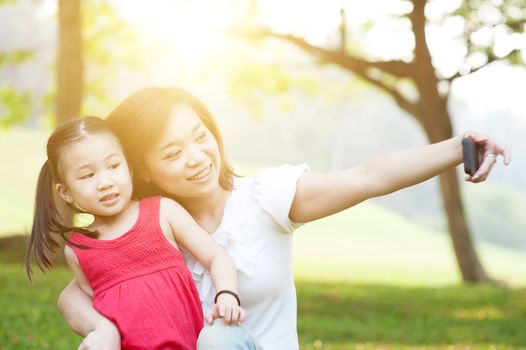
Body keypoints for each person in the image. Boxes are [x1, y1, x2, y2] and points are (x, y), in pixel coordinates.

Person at [57, 87, 511, 350]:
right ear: (142, 170)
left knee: (217, 340)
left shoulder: (265, 199)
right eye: (173, 153)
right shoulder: (147, 228)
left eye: (200, 137)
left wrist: (459, 147)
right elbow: (74, 293)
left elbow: (369, 177)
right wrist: (102, 328)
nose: (197, 158)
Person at [25, 116, 245, 350]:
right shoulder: (79, 250)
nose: (105, 182)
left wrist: (227, 295)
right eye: (88, 175)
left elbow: (216, 256)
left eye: (113, 166)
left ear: (129, 168)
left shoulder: (163, 212)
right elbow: (93, 309)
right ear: (65, 192)